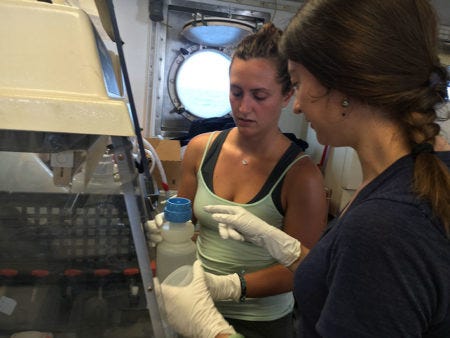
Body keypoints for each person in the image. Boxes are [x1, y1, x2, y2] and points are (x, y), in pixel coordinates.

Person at [156, 0, 450, 337]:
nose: (296, 103)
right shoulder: (402, 181)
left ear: (343, 87)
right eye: (236, 91)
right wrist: (293, 252)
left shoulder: (384, 228)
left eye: (297, 82)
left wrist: (212, 331)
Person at [153, 22, 327, 337]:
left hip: (261, 323)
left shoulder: (302, 176)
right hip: (196, 305)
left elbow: (303, 270)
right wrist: (167, 229)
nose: (244, 107)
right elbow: (186, 222)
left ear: (287, 95)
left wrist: (232, 286)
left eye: (260, 95)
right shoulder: (201, 149)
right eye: (236, 92)